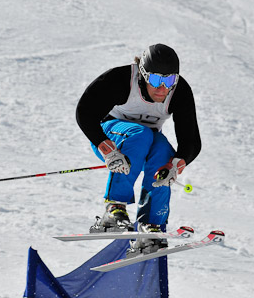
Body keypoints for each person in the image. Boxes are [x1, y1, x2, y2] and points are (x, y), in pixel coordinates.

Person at [76, 43, 201, 255]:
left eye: (169, 80)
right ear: (143, 75)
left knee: (164, 154)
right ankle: (114, 208)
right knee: (140, 135)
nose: (163, 88)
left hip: (147, 142)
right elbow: (85, 112)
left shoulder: (179, 92)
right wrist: (105, 147)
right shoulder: (121, 80)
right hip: (112, 137)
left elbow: (190, 139)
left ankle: (150, 226)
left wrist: (177, 164)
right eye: (155, 80)